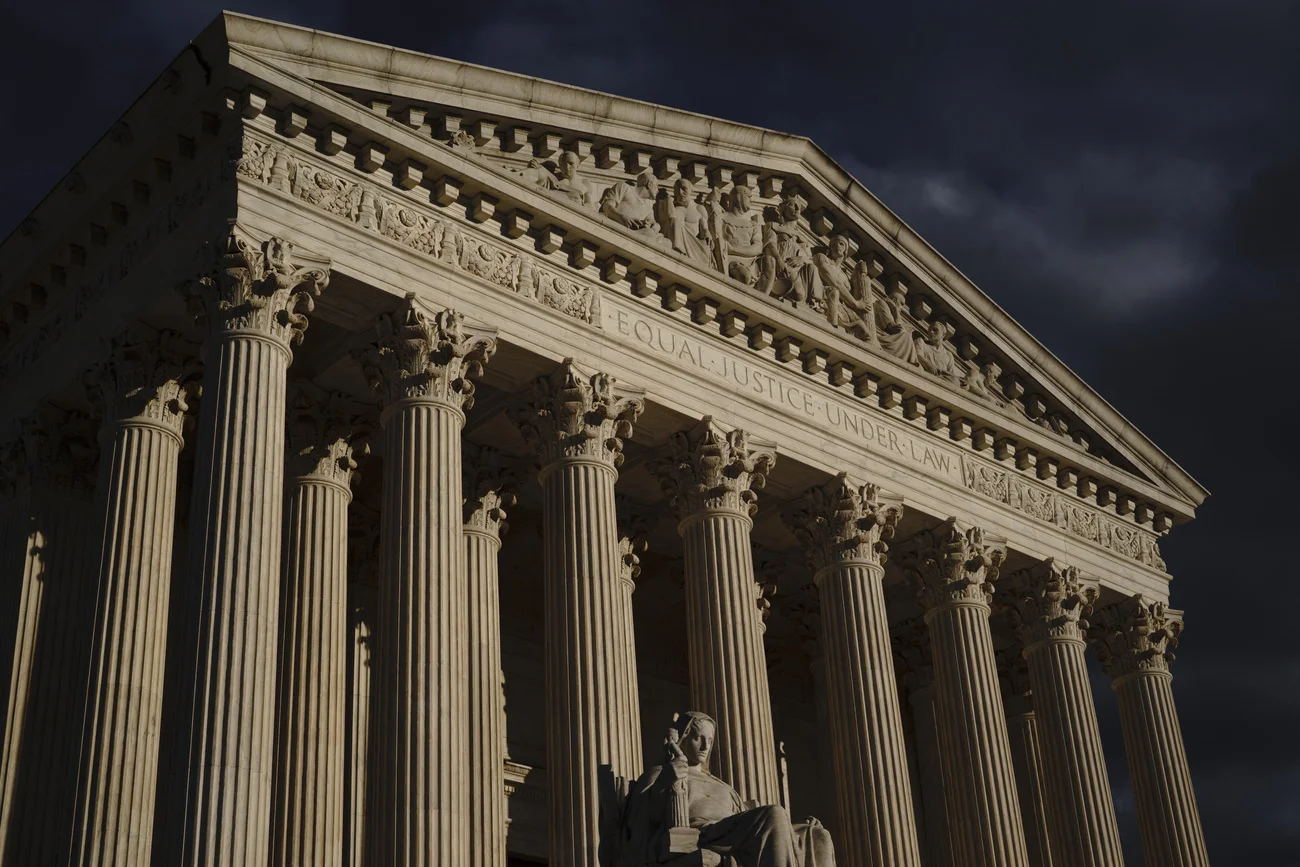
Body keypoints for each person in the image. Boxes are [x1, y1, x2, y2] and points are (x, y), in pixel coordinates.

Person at [621, 712, 835, 867]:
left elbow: (747, 819)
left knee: (817, 836)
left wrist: (793, 827)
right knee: (774, 814)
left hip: (734, 834)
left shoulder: (722, 785)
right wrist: (666, 781)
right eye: (698, 738)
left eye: (710, 740)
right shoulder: (661, 772)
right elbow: (641, 820)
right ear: (684, 739)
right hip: (703, 834)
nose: (705, 746)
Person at [657, 178, 716, 266]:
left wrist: (707, 233)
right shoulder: (674, 207)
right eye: (677, 190)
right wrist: (669, 202)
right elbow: (670, 219)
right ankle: (678, 250)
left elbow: (705, 229)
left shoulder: (699, 208)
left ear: (691, 190)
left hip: (695, 244)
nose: (680, 193)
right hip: (677, 242)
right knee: (675, 220)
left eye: (684, 189)